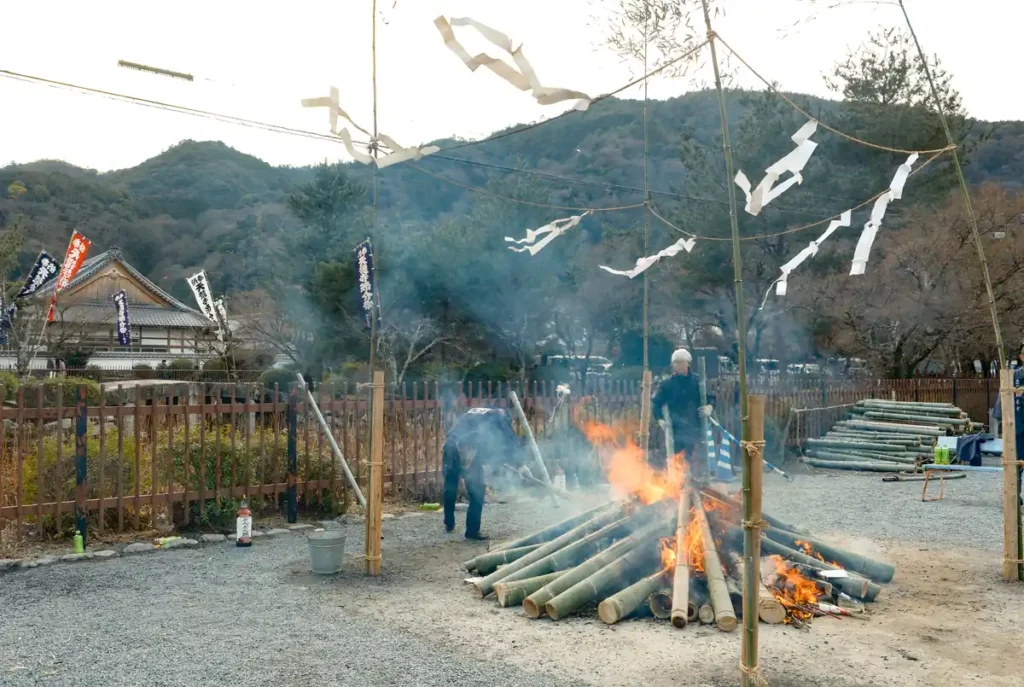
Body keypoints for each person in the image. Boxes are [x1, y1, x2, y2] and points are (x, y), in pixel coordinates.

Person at [442, 406, 527, 540]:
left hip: (450, 444)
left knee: (450, 485)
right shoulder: (501, 417)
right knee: (477, 490)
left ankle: (449, 524)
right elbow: (511, 443)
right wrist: (521, 465)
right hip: (468, 450)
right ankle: (472, 531)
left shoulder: (474, 412)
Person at [651, 349, 714, 474]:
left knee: (695, 461)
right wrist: (660, 420)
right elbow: (656, 404)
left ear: (687, 363)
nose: (677, 365)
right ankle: (678, 486)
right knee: (677, 461)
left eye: (680, 362)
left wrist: (709, 408)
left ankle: (696, 485)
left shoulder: (698, 381)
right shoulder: (667, 385)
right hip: (676, 430)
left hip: (696, 428)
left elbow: (711, 398)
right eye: (674, 363)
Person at [992, 364, 1024, 507]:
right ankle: (1014, 495)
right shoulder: (1013, 376)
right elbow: (1001, 407)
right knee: (1017, 464)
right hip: (1018, 429)